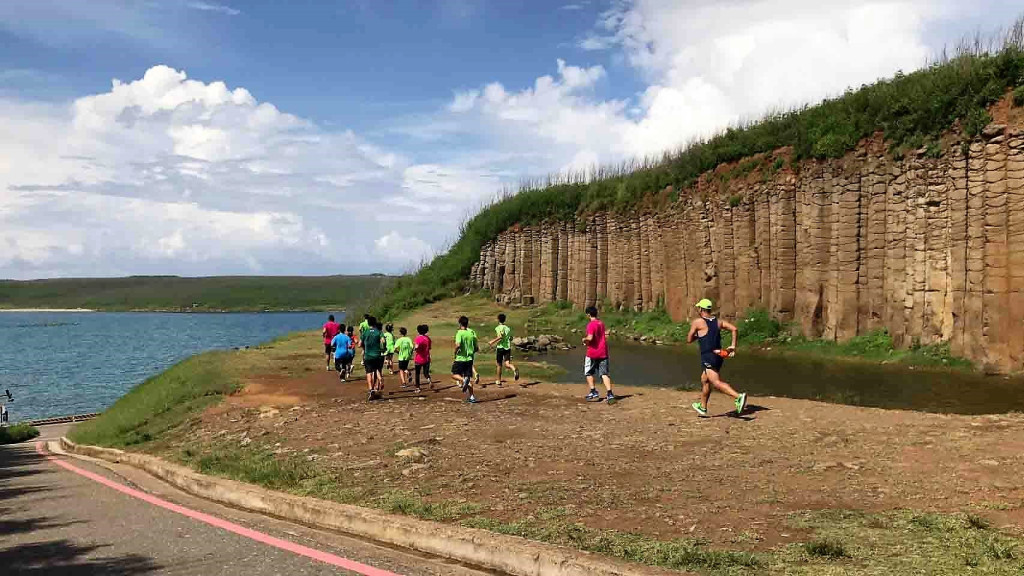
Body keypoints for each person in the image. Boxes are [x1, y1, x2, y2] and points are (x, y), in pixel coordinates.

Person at [687, 298, 747, 417]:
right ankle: (703, 407)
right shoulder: (718, 322)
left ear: (701, 309)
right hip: (718, 355)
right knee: (705, 380)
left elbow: (689, 339)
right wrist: (733, 346)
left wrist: (698, 336)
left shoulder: (698, 322)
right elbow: (734, 329)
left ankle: (738, 397)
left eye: (698, 308)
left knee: (715, 381)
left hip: (708, 355)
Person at [582, 306, 616, 402]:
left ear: (588, 314)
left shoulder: (591, 325)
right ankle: (610, 394)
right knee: (604, 374)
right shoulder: (601, 323)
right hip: (603, 352)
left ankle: (593, 391)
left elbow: (590, 338)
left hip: (592, 353)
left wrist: (584, 340)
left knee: (588, 372)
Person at [450, 316, 479, 403]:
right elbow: (476, 348)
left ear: (460, 323)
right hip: (469, 359)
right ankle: (472, 397)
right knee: (468, 378)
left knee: (454, 375)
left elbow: (458, 345)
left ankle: (463, 380)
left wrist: (455, 352)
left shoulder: (460, 333)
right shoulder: (471, 333)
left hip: (460, 358)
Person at [487, 313, 519, 387]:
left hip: (501, 348)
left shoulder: (498, 328)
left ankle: (498, 380)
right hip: (507, 348)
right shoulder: (507, 328)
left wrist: (492, 341)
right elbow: (510, 338)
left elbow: (500, 336)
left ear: (498, 320)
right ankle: (514, 369)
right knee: (507, 364)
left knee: (499, 365)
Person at [361, 317, 386, 400]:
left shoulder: (365, 332)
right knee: (377, 371)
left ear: (368, 323)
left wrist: (364, 347)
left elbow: (360, 343)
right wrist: (383, 348)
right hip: (377, 355)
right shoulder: (379, 332)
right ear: (375, 323)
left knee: (369, 373)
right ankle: (379, 382)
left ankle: (371, 389)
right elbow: (383, 341)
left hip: (368, 356)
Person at [414, 324, 433, 391]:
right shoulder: (428, 338)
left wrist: (414, 349)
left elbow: (416, 347)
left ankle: (417, 388)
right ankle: (429, 380)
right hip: (427, 358)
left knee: (417, 374)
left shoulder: (418, 338)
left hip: (419, 358)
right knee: (426, 373)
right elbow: (429, 348)